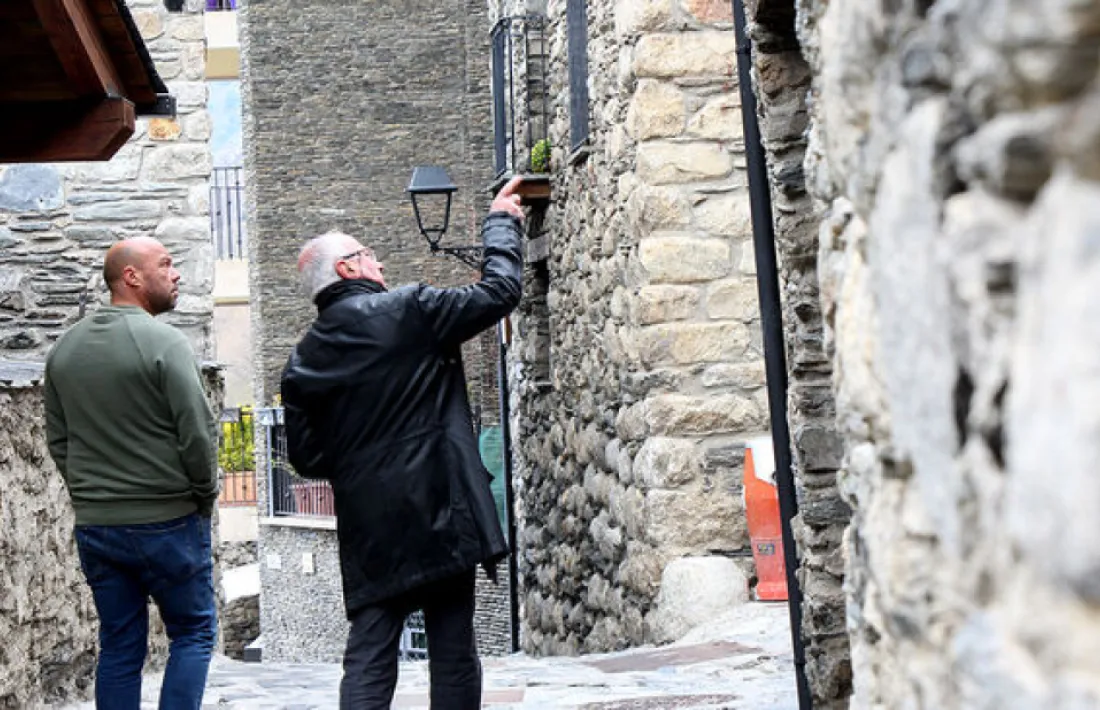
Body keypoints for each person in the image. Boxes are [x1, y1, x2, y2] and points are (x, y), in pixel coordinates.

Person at [281, 176, 526, 709]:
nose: (381, 265)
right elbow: (500, 293)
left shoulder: (303, 362)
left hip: (371, 526)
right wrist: (501, 223)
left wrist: (359, 461)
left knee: (370, 653)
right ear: (347, 269)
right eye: (369, 256)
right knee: (453, 649)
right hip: (442, 507)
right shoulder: (411, 311)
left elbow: (306, 457)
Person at [44, 237, 218, 710]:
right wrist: (203, 495)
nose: (176, 272)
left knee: (120, 645)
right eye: (165, 264)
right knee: (194, 634)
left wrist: (90, 496)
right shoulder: (165, 342)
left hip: (98, 525)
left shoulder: (64, 350)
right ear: (132, 277)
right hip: (170, 520)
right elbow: (198, 433)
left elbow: (59, 442)